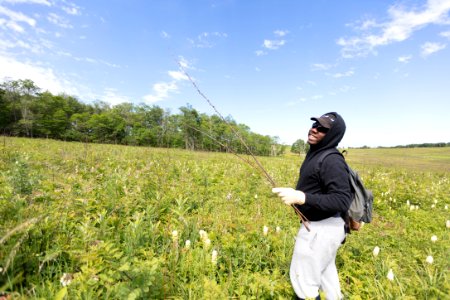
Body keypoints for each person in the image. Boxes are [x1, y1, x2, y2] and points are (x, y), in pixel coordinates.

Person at [272, 112, 352, 300]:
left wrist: (302, 197)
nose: (314, 129)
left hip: (321, 229)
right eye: (315, 124)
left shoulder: (331, 160)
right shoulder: (317, 153)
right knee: (327, 279)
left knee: (304, 284)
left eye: (322, 129)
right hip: (324, 228)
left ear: (333, 135)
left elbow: (341, 200)